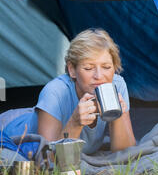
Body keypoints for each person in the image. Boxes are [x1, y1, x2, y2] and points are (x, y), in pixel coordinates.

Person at [0, 29, 136, 155]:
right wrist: (75, 123)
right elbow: (48, 158)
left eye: (106, 67)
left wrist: (118, 116)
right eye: (88, 68)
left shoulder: (117, 85)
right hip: (10, 129)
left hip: (42, 115)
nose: (99, 76)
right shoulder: (54, 92)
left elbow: (125, 152)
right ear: (72, 70)